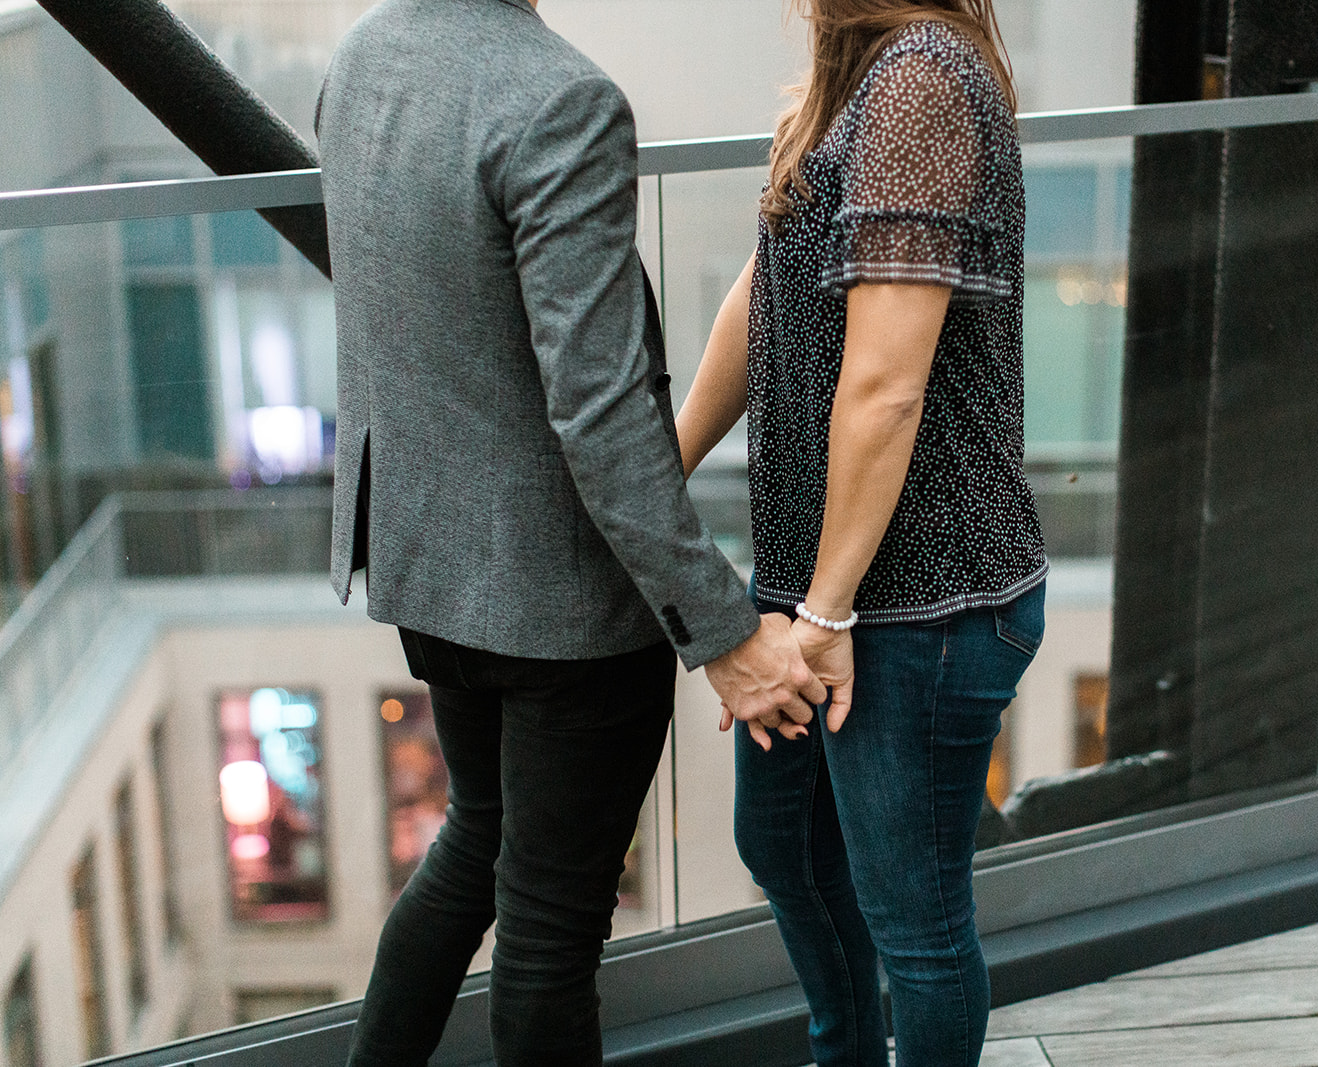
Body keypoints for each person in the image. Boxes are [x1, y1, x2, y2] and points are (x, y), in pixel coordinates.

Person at [315, 0, 824, 1063]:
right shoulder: (562, 101)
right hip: (560, 603)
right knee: (548, 932)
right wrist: (724, 633)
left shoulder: (367, 53)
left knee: (474, 841)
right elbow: (597, 412)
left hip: (428, 568)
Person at [674, 1, 1046, 1064]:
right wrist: (667, 460)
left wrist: (825, 611)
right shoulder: (857, 78)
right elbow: (767, 293)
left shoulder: (922, 80)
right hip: (820, 586)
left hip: (921, 597)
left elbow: (884, 387)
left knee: (916, 925)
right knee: (782, 843)